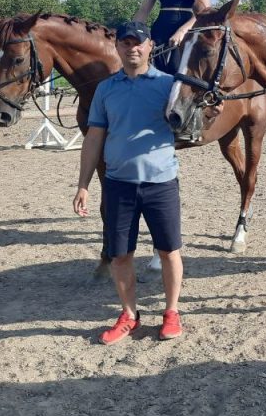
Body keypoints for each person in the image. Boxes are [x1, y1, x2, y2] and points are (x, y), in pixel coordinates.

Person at [73, 20, 184, 345]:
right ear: (117, 47)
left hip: (160, 183)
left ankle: (171, 312)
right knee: (120, 255)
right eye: (126, 43)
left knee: (169, 251)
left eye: (139, 42)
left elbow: (196, 119)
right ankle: (129, 315)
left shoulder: (170, 85)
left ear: (150, 46)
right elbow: (94, 137)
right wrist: (83, 184)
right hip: (119, 184)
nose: (132, 48)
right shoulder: (106, 89)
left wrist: (214, 109)